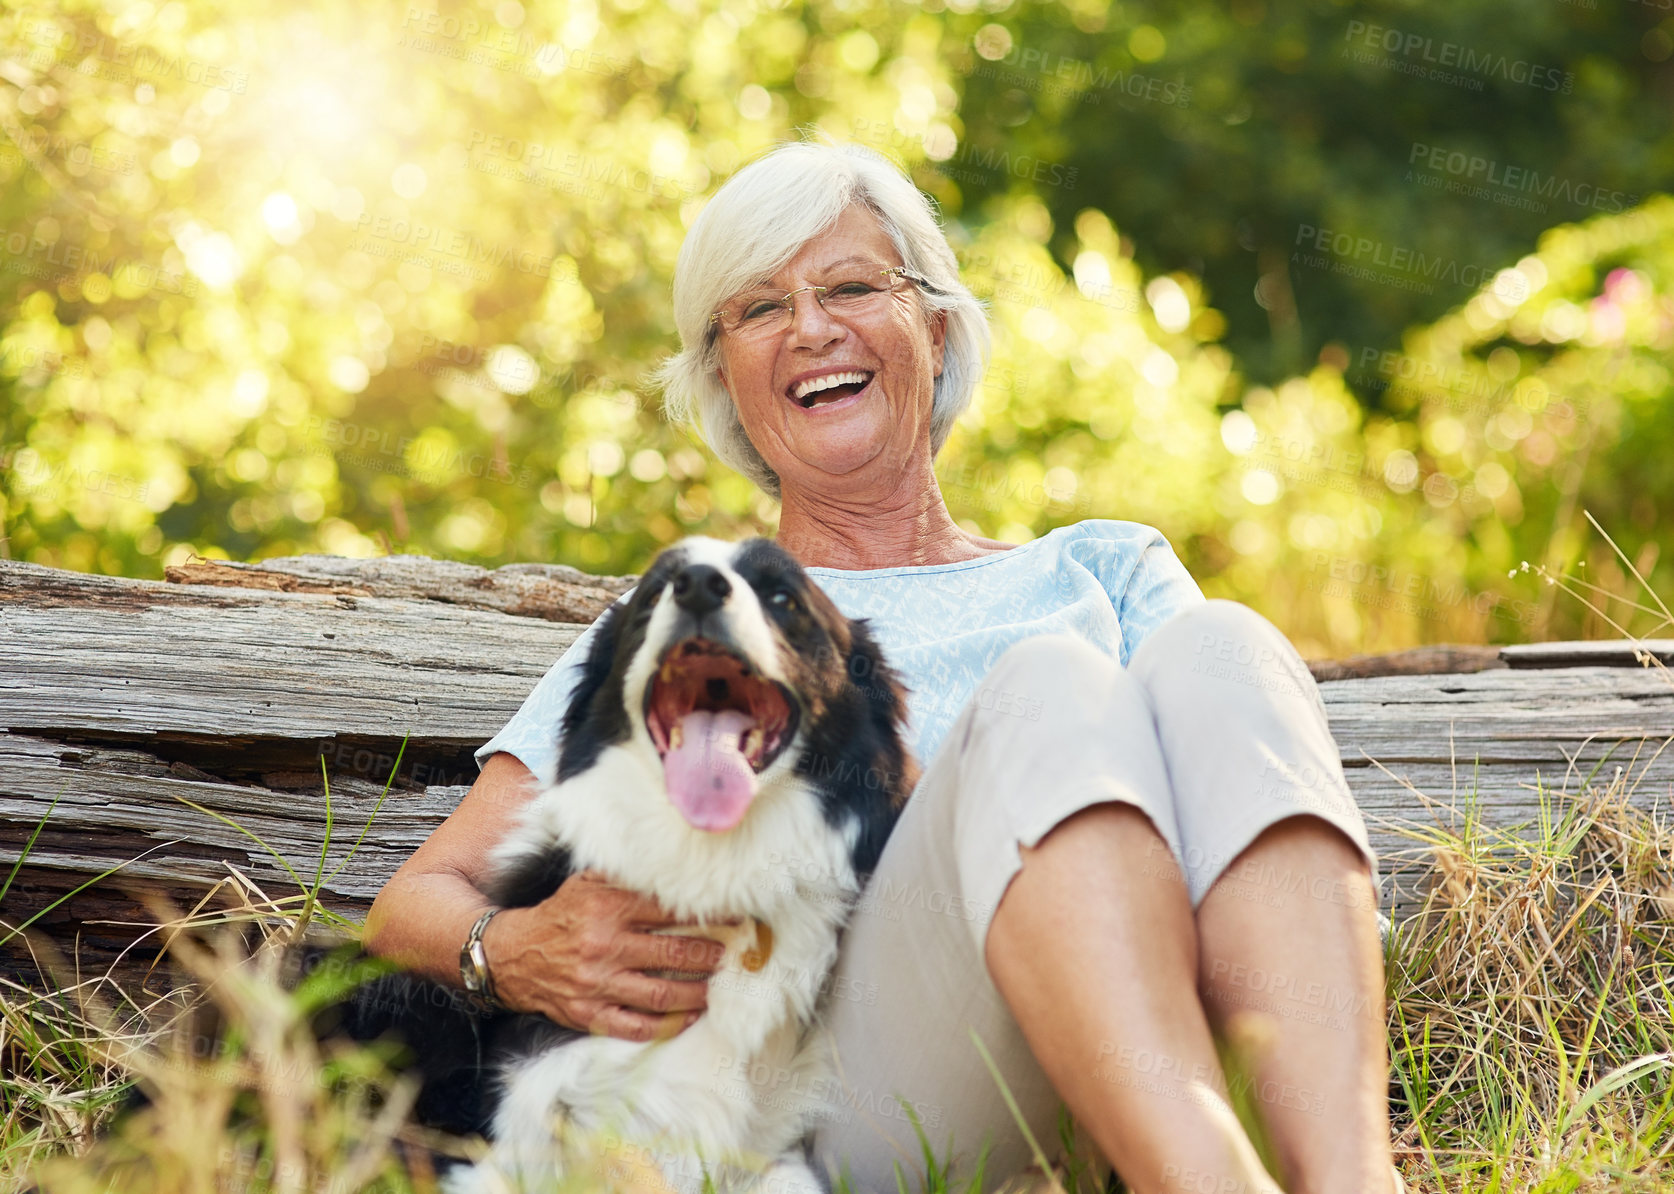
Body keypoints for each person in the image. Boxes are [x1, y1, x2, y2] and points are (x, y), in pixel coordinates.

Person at [365, 142, 1399, 1194]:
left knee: (1229, 644)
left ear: (936, 324)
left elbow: (1245, 809)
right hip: (864, 1100)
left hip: (1181, 1033)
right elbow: (416, 898)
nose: (813, 328)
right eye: (760, 309)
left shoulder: (1105, 567)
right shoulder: (687, 622)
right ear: (723, 374)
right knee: (1048, 687)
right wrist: (517, 944)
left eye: (853, 285)